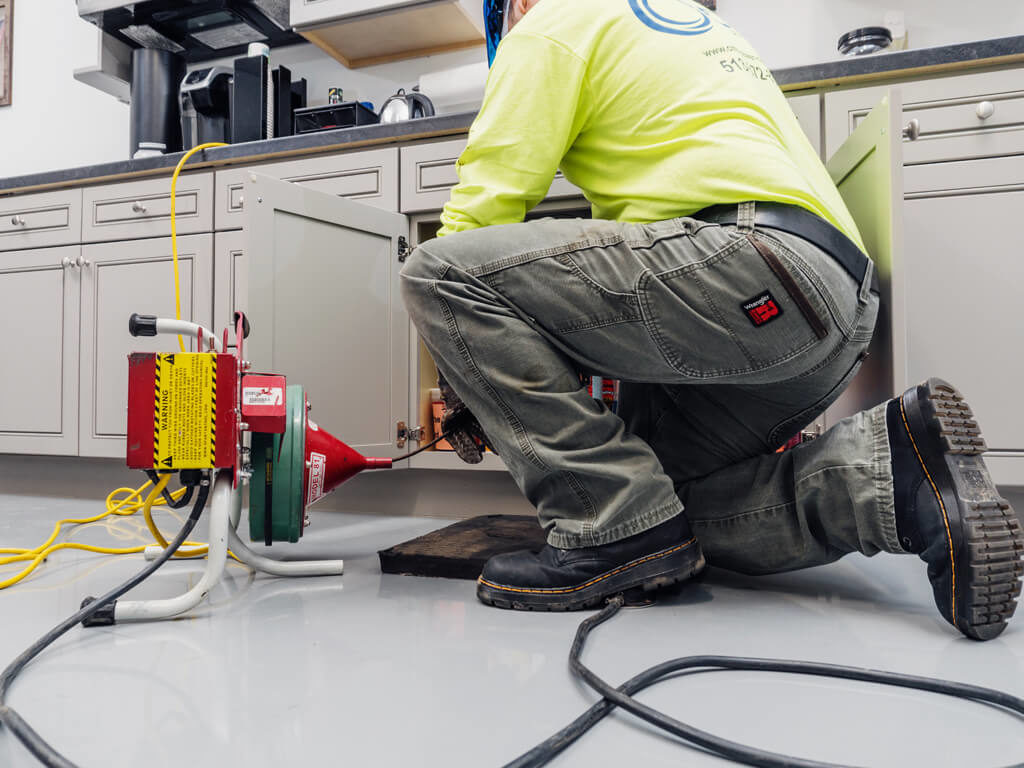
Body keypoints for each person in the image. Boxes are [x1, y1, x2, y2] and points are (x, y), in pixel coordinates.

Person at [399, 0, 1023, 639]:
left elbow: (484, 207)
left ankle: (603, 524)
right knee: (662, 512)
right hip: (832, 307)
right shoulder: (679, 28)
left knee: (436, 273)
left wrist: (466, 365)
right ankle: (891, 482)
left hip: (746, 266)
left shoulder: (553, 21)